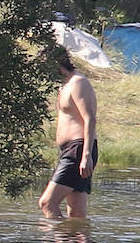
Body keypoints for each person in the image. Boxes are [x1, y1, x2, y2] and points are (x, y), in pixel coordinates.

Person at [39, 49, 97, 220]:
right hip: (69, 150)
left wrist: (86, 155)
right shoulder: (63, 85)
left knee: (47, 203)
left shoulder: (78, 83)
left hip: (78, 150)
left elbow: (90, 119)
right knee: (76, 214)